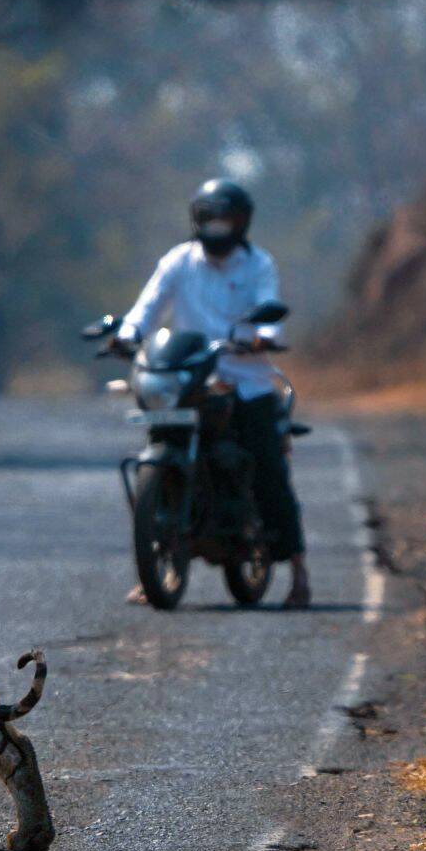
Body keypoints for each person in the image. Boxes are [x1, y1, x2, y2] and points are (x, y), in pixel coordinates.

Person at [116, 178, 311, 610]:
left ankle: (298, 572)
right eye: (211, 219)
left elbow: (269, 310)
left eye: (226, 220)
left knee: (269, 470)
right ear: (197, 221)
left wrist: (263, 337)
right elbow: (146, 309)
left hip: (247, 382)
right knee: (157, 443)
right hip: (188, 380)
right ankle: (155, 565)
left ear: (242, 223)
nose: (218, 228)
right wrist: (126, 334)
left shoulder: (257, 264)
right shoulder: (178, 262)